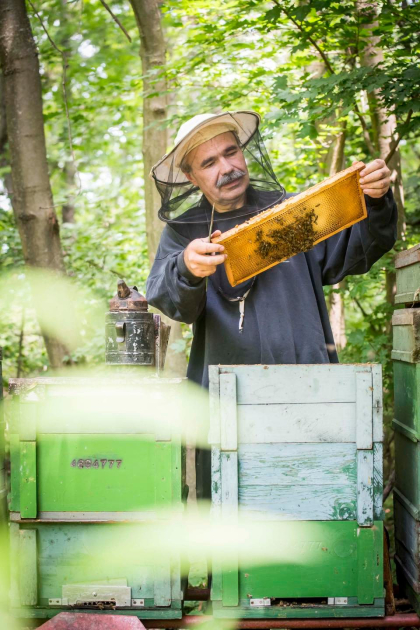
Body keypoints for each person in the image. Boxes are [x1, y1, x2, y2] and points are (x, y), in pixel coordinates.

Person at [146, 111, 397, 497]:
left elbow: (358, 250)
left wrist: (376, 201)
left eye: (231, 153)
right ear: (192, 178)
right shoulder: (184, 233)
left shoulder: (293, 212)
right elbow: (167, 298)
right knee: (232, 517)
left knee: (316, 506)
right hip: (224, 407)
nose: (227, 168)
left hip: (308, 393)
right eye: (209, 163)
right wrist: (187, 267)